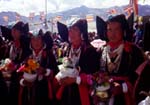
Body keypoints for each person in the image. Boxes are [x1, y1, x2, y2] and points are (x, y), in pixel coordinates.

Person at [97, 14, 144, 105]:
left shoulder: (134, 51)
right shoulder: (101, 50)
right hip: (104, 95)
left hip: (124, 98)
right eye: (109, 29)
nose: (112, 33)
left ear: (123, 31)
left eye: (116, 29)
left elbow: (141, 79)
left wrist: (123, 87)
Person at [55, 19, 100, 105]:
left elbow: (95, 76)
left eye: (75, 30)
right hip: (66, 93)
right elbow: (60, 63)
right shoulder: (66, 49)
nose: (71, 33)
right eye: (70, 30)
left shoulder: (90, 51)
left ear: (82, 33)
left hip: (82, 94)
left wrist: (75, 79)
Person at [18, 30, 58, 105]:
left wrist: (45, 71)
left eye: (38, 39)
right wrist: (23, 82)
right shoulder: (26, 54)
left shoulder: (49, 54)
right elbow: (20, 71)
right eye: (33, 39)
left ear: (43, 40)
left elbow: (55, 71)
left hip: (44, 91)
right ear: (30, 41)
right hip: (28, 91)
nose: (36, 42)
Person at [0, 21, 30, 105]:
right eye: (12, 30)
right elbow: (5, 59)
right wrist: (3, 66)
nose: (13, 32)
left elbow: (27, 61)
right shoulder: (10, 45)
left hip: (21, 79)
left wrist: (16, 66)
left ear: (21, 32)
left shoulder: (27, 45)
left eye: (15, 30)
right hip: (8, 77)